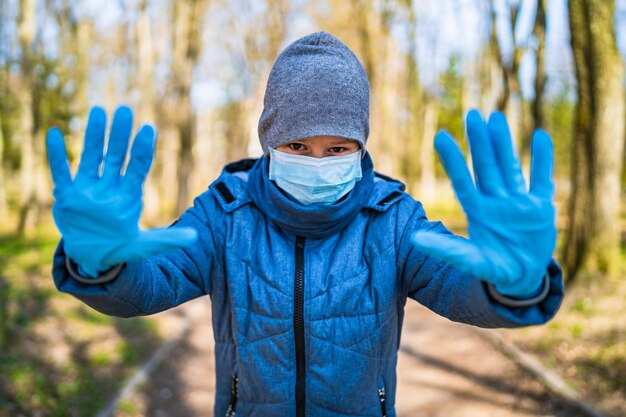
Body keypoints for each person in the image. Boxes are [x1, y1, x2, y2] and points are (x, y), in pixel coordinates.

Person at [47, 32, 563, 417]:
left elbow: (458, 286)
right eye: (297, 146)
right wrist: (98, 266)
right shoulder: (225, 213)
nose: (318, 160)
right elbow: (147, 286)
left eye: (337, 148)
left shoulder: (393, 219)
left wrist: (514, 285)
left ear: (360, 146)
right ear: (269, 142)